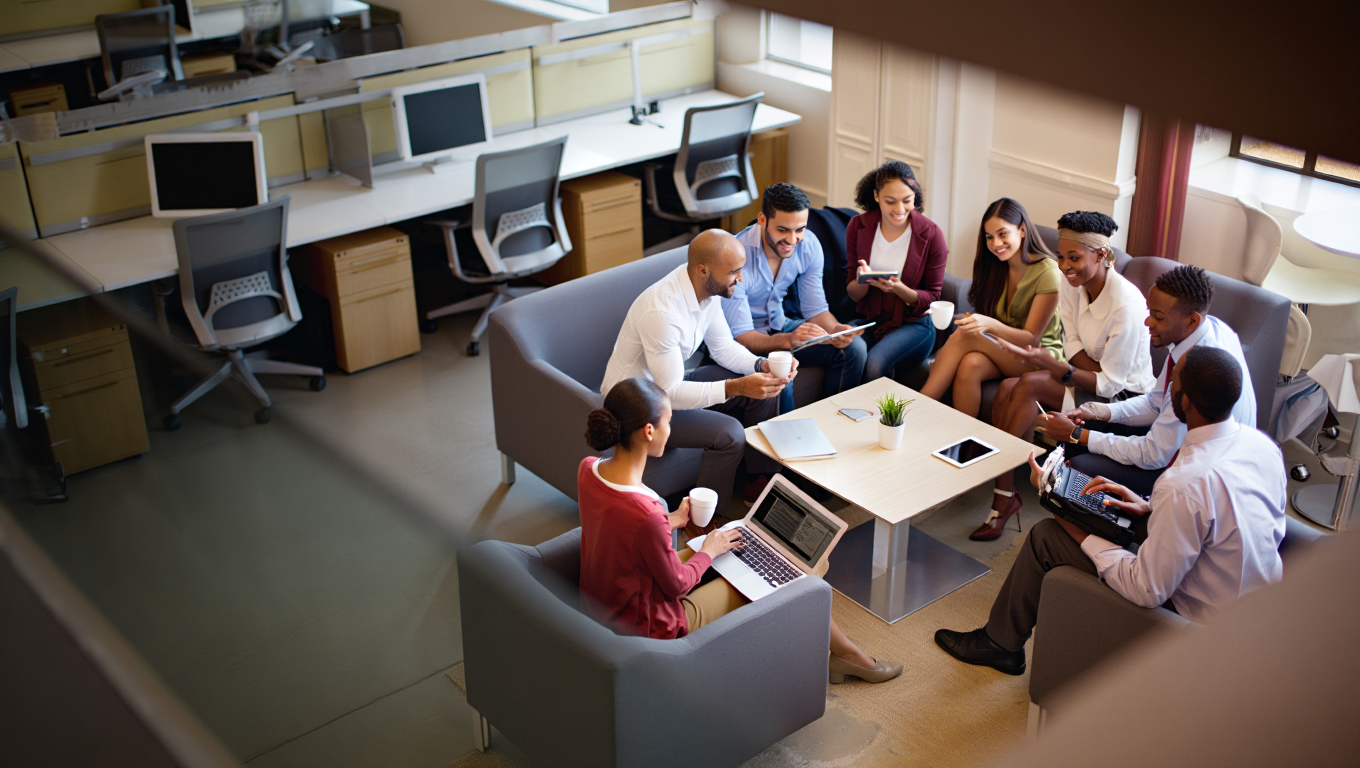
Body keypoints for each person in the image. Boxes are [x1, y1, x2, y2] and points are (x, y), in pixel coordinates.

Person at [934, 347, 1287, 675]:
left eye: (1172, 386)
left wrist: (1066, 516)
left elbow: (1147, 591)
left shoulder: (1185, 484)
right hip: (1256, 612)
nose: (1166, 391)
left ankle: (999, 644)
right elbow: (1219, 521)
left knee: (1046, 535)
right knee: (1102, 512)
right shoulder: (1262, 447)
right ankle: (1002, 640)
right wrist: (1148, 506)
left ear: (1185, 403)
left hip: (1194, 624)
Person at [579, 377, 902, 683]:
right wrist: (708, 551)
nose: (670, 428)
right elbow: (676, 586)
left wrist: (674, 520)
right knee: (768, 580)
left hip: (609, 597)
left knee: (764, 561)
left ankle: (837, 646)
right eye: (668, 421)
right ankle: (848, 655)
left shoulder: (589, 468)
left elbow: (619, 529)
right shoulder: (646, 512)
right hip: (649, 624)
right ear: (649, 431)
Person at [972, 211, 1155, 541]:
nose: (1065, 265)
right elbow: (1071, 342)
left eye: (1074, 257)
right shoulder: (1072, 283)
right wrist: (1083, 368)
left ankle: (1000, 488)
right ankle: (1008, 493)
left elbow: (1111, 384)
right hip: (1087, 379)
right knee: (1007, 389)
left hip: (1124, 402)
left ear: (1101, 255)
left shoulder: (1125, 305)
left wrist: (1072, 370)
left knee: (1027, 385)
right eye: (1061, 256)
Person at [600, 229, 794, 516]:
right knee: (731, 434)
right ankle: (706, 523)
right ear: (703, 270)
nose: (740, 278)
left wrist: (759, 365)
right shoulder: (662, 312)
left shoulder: (708, 289)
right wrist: (737, 387)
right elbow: (671, 393)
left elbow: (723, 348)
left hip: (666, 382)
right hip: (638, 408)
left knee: (764, 389)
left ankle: (759, 485)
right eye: (734, 272)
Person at [1036, 265, 1257, 498]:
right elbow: (1155, 403)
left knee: (1078, 464)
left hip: (1199, 478)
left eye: (1158, 317)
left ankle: (1104, 526)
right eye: (1150, 311)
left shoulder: (1198, 372)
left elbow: (1153, 454)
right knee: (1086, 427)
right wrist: (1100, 411)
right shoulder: (1206, 329)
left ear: (1191, 320)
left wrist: (1078, 435)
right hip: (1181, 445)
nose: (1147, 322)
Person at [723, 183, 868, 415]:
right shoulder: (735, 257)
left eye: (799, 229)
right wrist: (790, 340)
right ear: (762, 219)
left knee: (854, 349)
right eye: (783, 230)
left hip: (780, 325)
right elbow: (741, 337)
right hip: (745, 339)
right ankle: (787, 444)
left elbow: (816, 309)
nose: (793, 239)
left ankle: (832, 424)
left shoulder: (808, 244)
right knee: (782, 375)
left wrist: (835, 331)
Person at [917, 198, 1063, 418]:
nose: (996, 243)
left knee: (966, 336)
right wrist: (963, 318)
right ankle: (962, 442)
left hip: (1039, 358)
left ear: (1022, 230)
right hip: (1007, 350)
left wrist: (987, 325)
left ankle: (913, 408)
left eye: (1003, 234)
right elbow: (994, 320)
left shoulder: (1048, 272)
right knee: (970, 364)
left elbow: (1031, 339)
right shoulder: (998, 267)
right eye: (990, 237)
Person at [843, 161, 948, 384]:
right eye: (890, 201)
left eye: (907, 201)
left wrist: (900, 289)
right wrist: (864, 280)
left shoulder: (931, 235)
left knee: (876, 362)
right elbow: (852, 293)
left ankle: (878, 417)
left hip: (915, 324)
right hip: (871, 319)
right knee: (847, 345)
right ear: (876, 196)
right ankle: (840, 410)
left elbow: (933, 296)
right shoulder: (858, 226)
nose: (899, 209)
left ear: (915, 199)